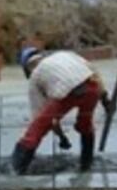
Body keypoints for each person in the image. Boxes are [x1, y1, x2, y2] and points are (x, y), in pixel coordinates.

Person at [10, 46, 102, 175]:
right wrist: (106, 100)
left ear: (27, 67)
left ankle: (16, 169)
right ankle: (86, 165)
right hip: (92, 87)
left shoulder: (35, 76)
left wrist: (62, 137)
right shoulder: (66, 55)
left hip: (67, 93)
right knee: (85, 124)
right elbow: (94, 72)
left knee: (35, 131)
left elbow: (45, 120)